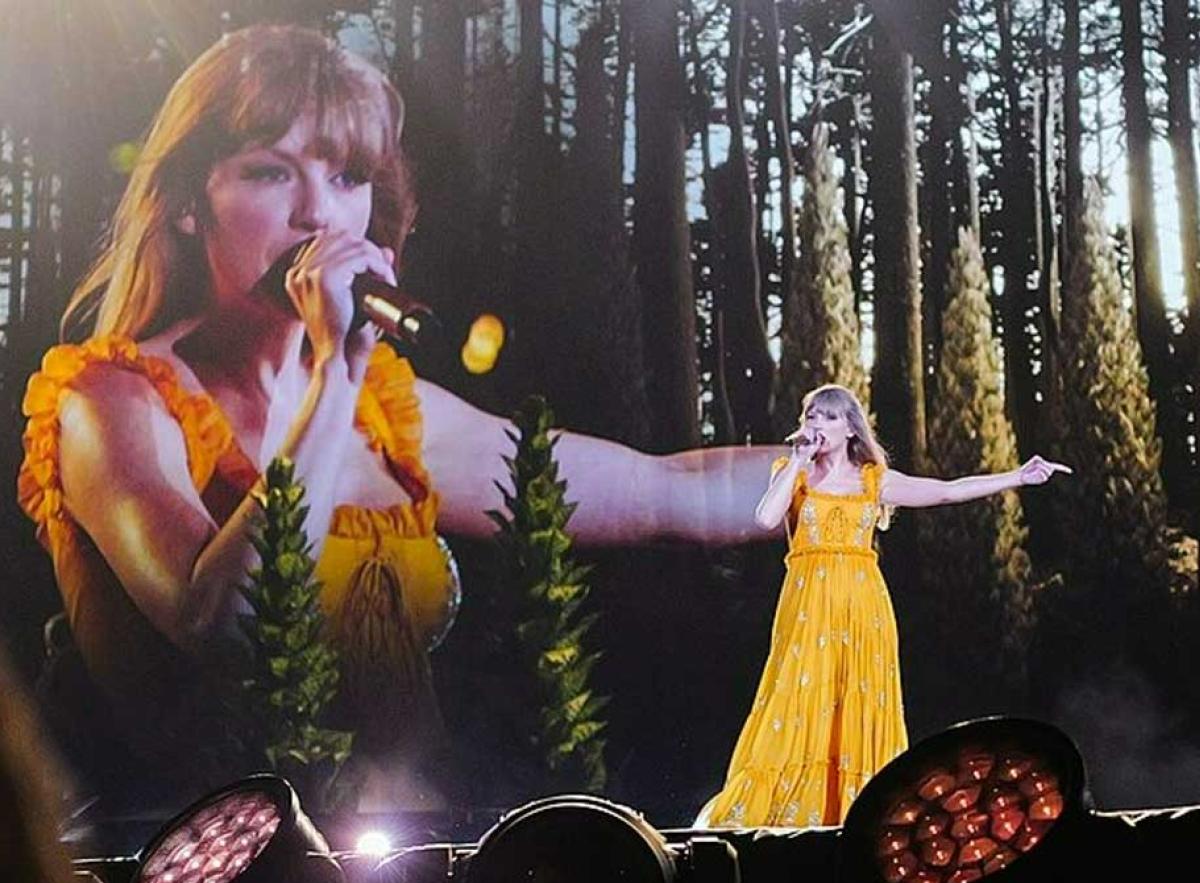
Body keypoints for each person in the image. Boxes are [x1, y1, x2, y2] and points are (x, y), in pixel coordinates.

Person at [17, 24, 780, 813]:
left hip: (395, 855)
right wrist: (336, 376)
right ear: (185, 204)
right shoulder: (112, 399)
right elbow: (223, 621)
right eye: (272, 172)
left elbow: (663, 492)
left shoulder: (391, 413)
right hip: (186, 855)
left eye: (348, 178)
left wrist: (840, 468)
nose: (319, 214)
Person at [696, 384, 1070, 828]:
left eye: (829, 417)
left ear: (851, 428)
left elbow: (947, 492)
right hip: (807, 610)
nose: (817, 423)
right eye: (811, 414)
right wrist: (797, 460)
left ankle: (860, 814)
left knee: (858, 704)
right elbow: (764, 517)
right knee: (798, 700)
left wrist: (1017, 477)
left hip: (863, 609)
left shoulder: (873, 480)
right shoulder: (791, 472)